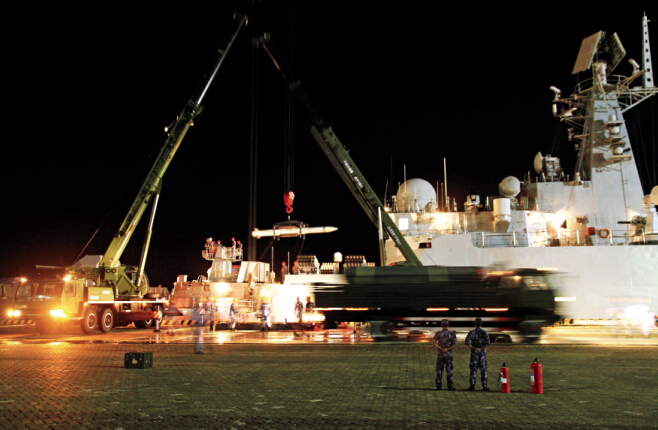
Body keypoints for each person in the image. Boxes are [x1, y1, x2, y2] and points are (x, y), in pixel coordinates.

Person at [465, 317, 490, 391]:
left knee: (473, 370)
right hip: (482, 354)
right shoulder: (484, 332)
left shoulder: (472, 332)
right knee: (483, 370)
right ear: (481, 324)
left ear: (475, 324)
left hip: (474, 354)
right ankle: (484, 386)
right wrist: (481, 349)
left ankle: (472, 386)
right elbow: (487, 343)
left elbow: (467, 342)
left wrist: (474, 348)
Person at [432, 319, 457, 391]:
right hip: (449, 355)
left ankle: (438, 386)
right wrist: (448, 349)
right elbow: (454, 344)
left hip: (440, 355)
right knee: (449, 371)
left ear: (441, 325)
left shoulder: (438, 333)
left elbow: (434, 342)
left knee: (439, 371)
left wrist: (441, 348)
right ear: (448, 325)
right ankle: (450, 387)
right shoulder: (452, 334)